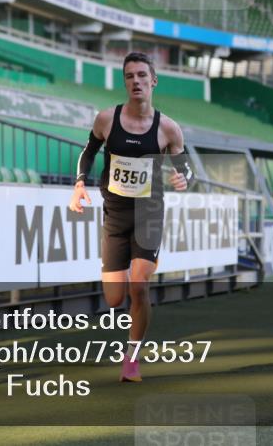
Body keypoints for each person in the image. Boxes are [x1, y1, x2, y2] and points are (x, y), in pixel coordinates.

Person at [68, 52, 191, 382]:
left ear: (153, 81)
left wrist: (184, 178)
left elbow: (184, 167)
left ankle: (132, 358)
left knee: (139, 285)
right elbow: (89, 151)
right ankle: (132, 266)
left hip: (149, 212)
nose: (135, 81)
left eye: (141, 75)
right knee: (114, 298)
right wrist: (80, 184)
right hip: (115, 214)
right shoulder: (107, 119)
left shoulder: (168, 128)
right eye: (129, 76)